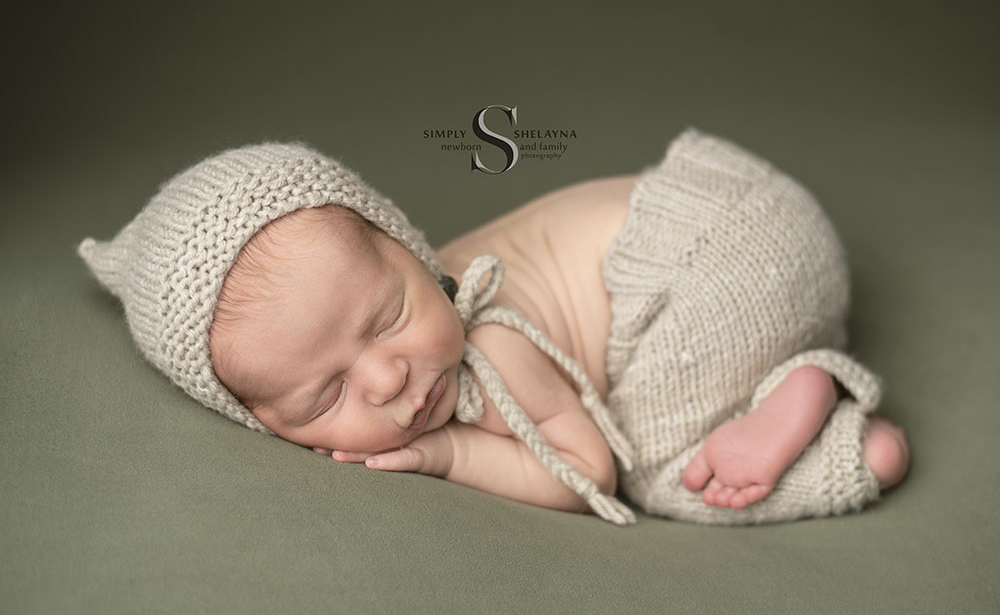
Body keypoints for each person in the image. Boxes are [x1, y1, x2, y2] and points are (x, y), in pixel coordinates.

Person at [77, 128, 909, 525]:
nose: (388, 378)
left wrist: (450, 454)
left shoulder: (492, 343)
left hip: (709, 275)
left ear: (406, 244)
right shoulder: (399, 286)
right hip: (757, 207)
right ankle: (785, 377)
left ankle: (824, 416)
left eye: (389, 318)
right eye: (326, 395)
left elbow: (585, 469)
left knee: (657, 476)